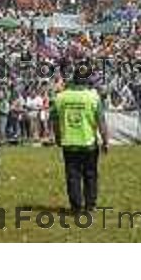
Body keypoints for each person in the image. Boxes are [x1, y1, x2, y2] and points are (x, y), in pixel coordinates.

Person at [50, 63, 109, 213]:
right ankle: (90, 205)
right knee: (90, 174)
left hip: (69, 143)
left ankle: (76, 206)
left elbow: (55, 121)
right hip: (88, 143)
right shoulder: (93, 97)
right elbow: (101, 121)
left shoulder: (60, 97)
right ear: (88, 80)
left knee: (72, 175)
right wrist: (105, 140)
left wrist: (58, 137)